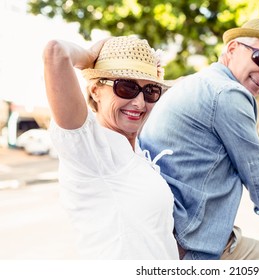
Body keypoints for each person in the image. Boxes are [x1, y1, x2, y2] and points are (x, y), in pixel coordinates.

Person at [139, 18, 259, 260]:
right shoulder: (228, 93)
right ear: (232, 49)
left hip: (167, 237)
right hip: (193, 247)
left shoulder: (191, 84)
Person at [42, 36, 179, 259]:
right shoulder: (92, 147)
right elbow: (56, 52)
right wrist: (89, 57)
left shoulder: (134, 151)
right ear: (95, 90)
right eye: (126, 87)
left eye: (150, 91)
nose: (140, 103)